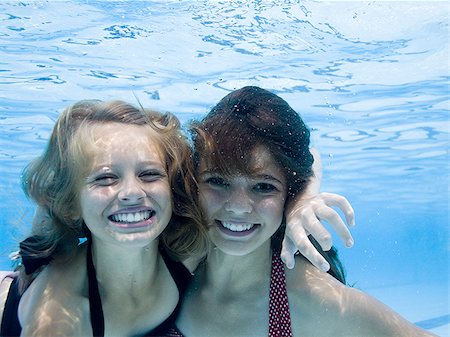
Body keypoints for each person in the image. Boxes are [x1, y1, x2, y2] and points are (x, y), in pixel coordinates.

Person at [0, 99, 354, 337]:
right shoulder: (61, 313)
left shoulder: (184, 239)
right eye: (106, 177)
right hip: (13, 299)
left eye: (150, 175)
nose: (131, 193)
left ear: (174, 185)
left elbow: (303, 153)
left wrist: (301, 202)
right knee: (41, 250)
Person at [171, 86, 436, 337]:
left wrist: (304, 197)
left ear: (290, 194)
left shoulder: (314, 298)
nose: (239, 206)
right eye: (217, 181)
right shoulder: (174, 259)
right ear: (192, 182)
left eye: (264, 187)